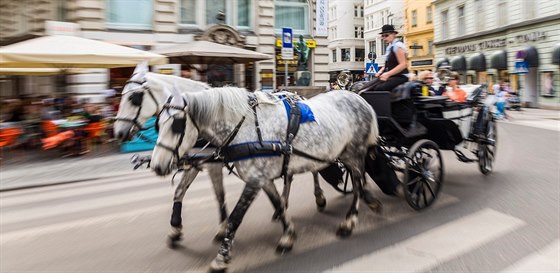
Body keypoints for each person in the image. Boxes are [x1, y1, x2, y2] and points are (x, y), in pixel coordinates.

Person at [371, 25, 409, 91]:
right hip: (393, 76)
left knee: (379, 88)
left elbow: (403, 64)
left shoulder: (398, 46)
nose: (384, 38)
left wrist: (388, 74)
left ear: (394, 34)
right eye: (383, 36)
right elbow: (387, 65)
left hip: (401, 77)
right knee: (370, 86)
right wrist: (380, 71)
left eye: (386, 35)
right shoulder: (390, 47)